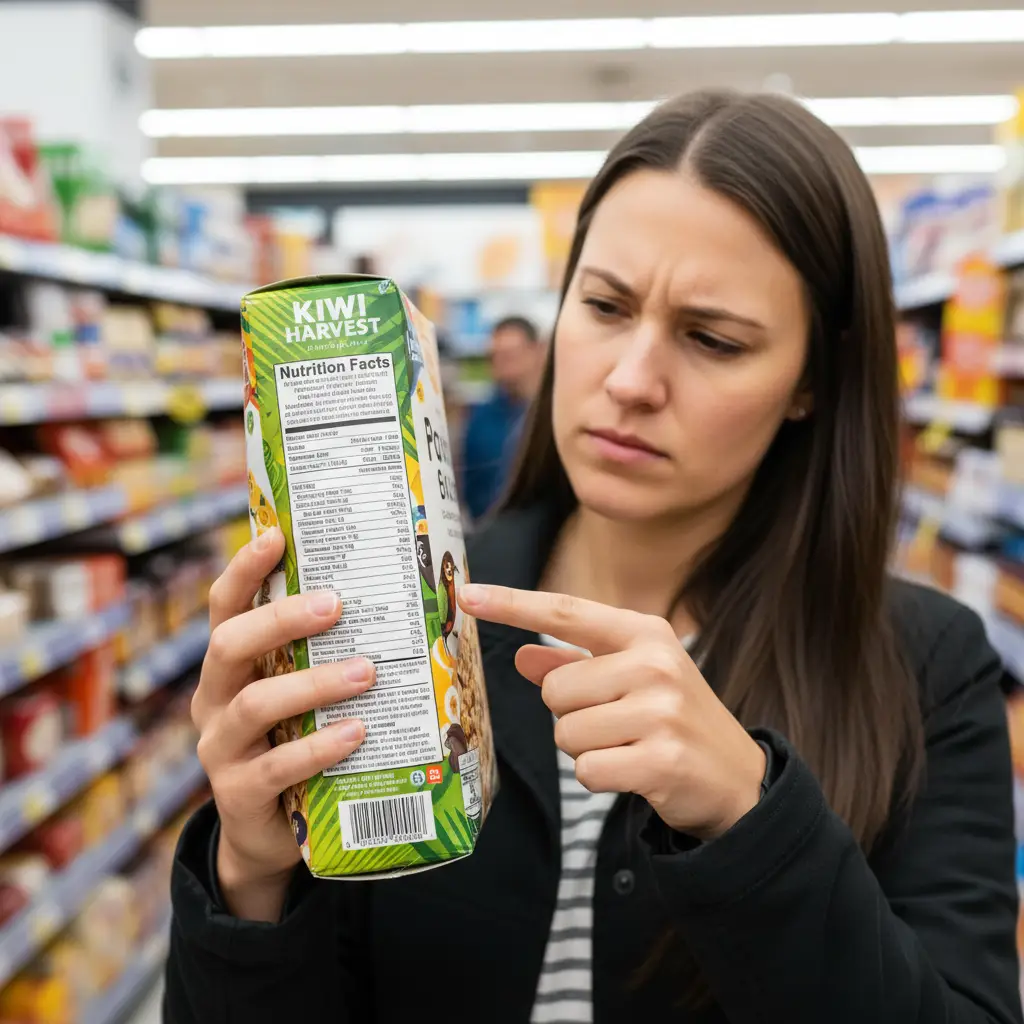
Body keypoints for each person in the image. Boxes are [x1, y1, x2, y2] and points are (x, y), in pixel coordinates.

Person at [166, 90, 1022, 1024]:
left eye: (713, 339)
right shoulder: (413, 626)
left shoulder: (926, 668)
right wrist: (248, 877)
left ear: (813, 381)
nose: (630, 380)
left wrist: (749, 814)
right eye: (605, 305)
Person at [461, 314, 544, 520]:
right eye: (495, 355)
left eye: (510, 355)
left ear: (536, 351)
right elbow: (471, 482)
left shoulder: (553, 415)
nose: (502, 363)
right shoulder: (480, 417)